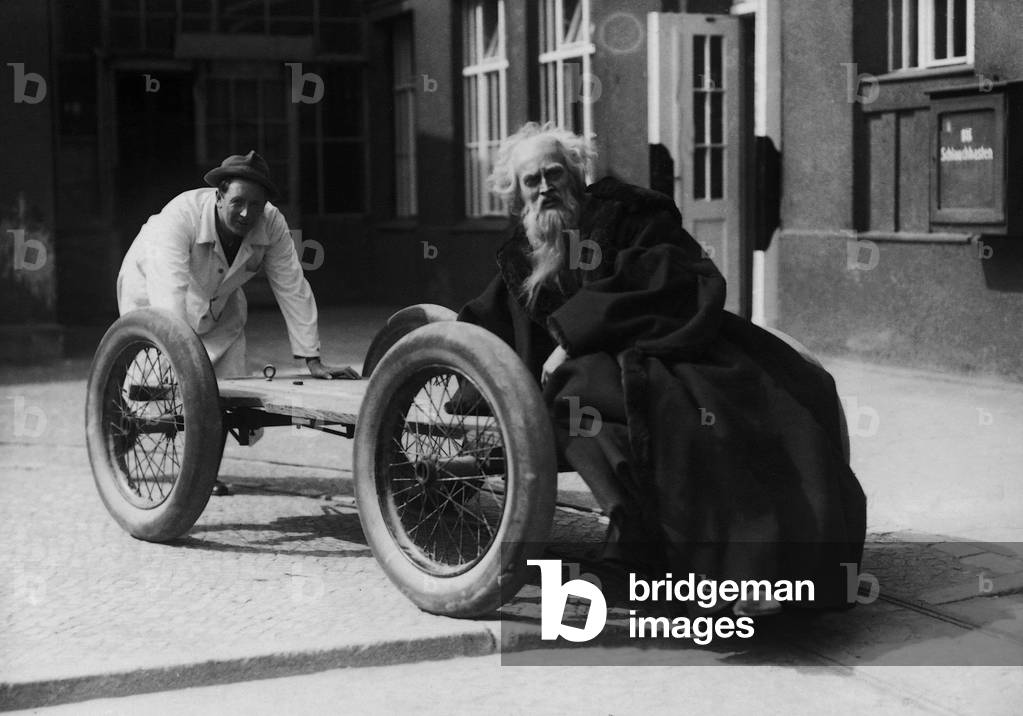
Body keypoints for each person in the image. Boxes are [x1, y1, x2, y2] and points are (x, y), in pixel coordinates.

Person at [456, 123, 867, 613]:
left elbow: (671, 275)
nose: (545, 188)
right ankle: (637, 539)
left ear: (575, 175)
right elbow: (480, 328)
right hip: (598, 376)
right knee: (573, 396)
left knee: (717, 415)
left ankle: (748, 570)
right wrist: (453, 379)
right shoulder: (521, 256)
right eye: (532, 181)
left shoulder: (625, 213)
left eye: (554, 173)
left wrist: (571, 335)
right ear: (517, 194)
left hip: (668, 349)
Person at [118, 150, 339, 381]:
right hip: (150, 283)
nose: (246, 213)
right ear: (219, 197)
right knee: (157, 382)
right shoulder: (180, 217)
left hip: (218, 300)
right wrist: (183, 364)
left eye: (255, 205)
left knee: (229, 387)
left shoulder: (272, 223)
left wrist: (312, 359)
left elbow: (292, 286)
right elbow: (170, 295)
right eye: (237, 202)